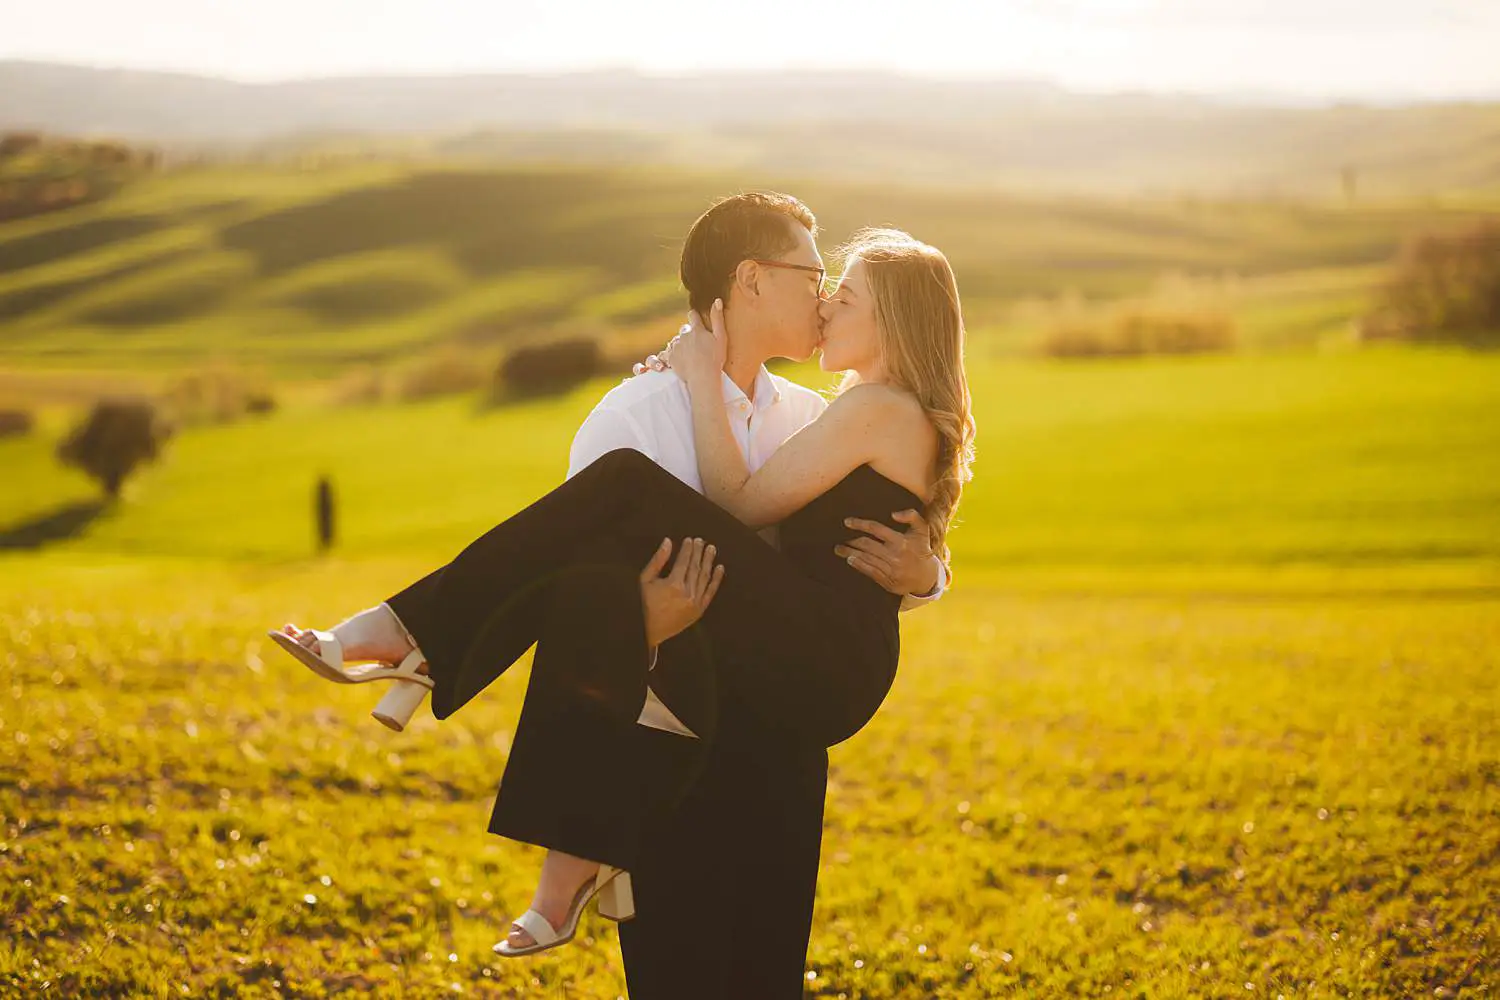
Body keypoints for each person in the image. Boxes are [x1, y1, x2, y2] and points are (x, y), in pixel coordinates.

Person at [268, 220, 975, 989]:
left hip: (820, 666)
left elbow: (739, 508)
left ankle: (413, 637)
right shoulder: (673, 409)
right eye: (820, 283)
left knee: (624, 487)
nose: (828, 305)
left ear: (893, 320)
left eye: (846, 295)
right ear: (749, 280)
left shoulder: (856, 410)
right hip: (754, 683)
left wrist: (926, 572)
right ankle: (432, 664)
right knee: (614, 500)